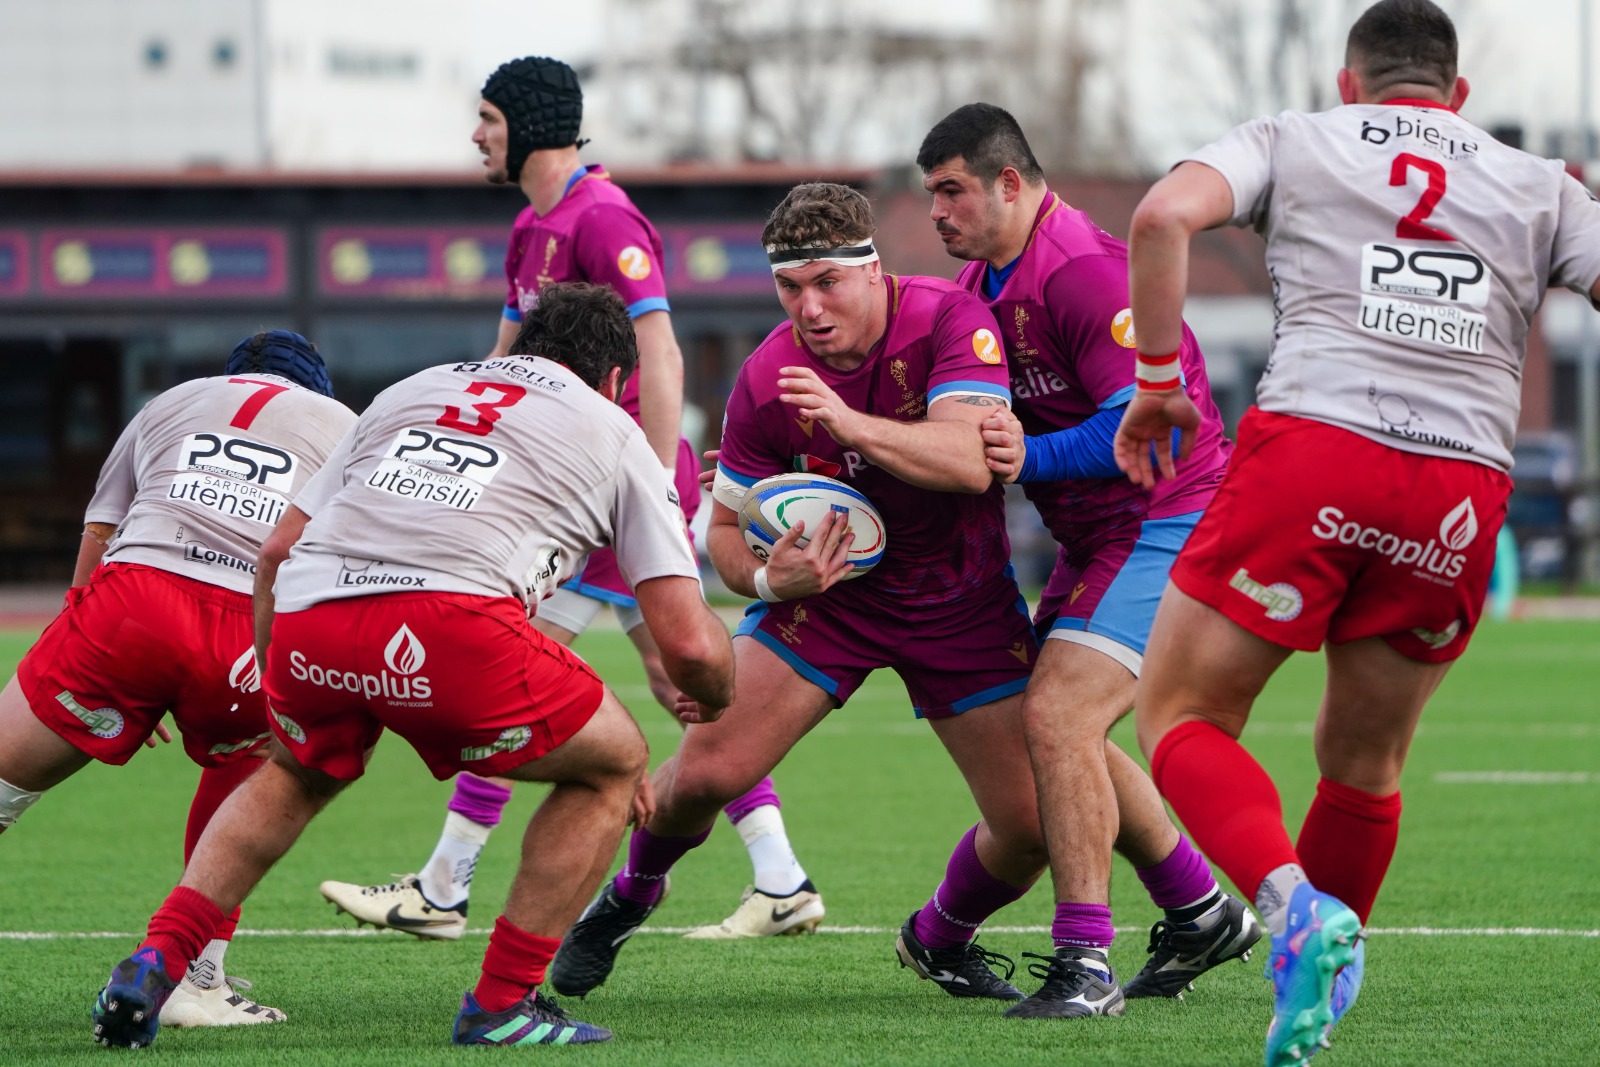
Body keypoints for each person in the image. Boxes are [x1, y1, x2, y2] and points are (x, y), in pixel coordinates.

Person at [1111, 2, 1600, 1063]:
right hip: (1459, 488)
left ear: (1350, 82)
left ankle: (1292, 906)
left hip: (1317, 450)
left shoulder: (1294, 136)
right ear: (1457, 97)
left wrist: (1156, 384)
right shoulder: (1540, 184)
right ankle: (1313, 998)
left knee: (1182, 713)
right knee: (1364, 759)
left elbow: (1157, 217)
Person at [88, 282, 736, 1049]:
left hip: (313, 610)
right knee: (615, 762)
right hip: (449, 622)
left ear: (525, 344)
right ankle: (500, 1004)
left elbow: (276, 550)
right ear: (618, 381)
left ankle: (157, 956)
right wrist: (720, 692)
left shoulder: (412, 388)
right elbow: (690, 645)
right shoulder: (617, 430)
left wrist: (278, 685)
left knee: (297, 769)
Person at [320, 55, 819, 942]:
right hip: (561, 492)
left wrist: (662, 495)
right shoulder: (528, 229)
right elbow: (502, 360)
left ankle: (443, 887)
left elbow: (658, 353)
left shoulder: (605, 217)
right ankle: (780, 875)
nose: (476, 135)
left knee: (518, 665)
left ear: (530, 122)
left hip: (606, 498)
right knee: (674, 680)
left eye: (487, 118)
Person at [549, 182, 1049, 1007]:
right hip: (827, 607)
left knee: (1031, 827)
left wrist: (848, 425)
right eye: (790, 288)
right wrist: (765, 577)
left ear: (874, 270)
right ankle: (630, 894)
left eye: (827, 282)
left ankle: (940, 933)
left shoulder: (950, 320)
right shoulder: (767, 373)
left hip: (960, 602)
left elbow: (971, 462)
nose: (808, 307)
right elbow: (721, 534)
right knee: (702, 774)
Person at [915, 104, 1260, 1019]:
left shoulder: (1083, 273)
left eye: (952, 191)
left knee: (1061, 715)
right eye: (930, 195)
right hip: (1095, 537)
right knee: (1064, 727)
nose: (937, 213)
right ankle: (1196, 908)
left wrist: (1023, 454)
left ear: (1011, 184)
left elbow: (1129, 429)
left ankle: (1085, 964)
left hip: (1171, 516)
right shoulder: (985, 284)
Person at [0, 331, 354, 1028]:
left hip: (132, 600)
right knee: (253, 773)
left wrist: (87, 632)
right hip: (246, 626)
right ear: (316, 386)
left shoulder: (172, 400)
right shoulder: (344, 424)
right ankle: (197, 976)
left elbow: (100, 531)